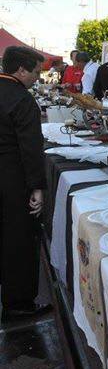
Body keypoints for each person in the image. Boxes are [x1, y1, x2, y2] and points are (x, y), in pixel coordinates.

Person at [0, 46, 48, 319]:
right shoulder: (22, 99)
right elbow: (30, 149)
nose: (37, 79)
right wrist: (38, 186)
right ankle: (19, 302)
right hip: (13, 178)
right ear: (20, 70)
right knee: (18, 238)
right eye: (35, 73)